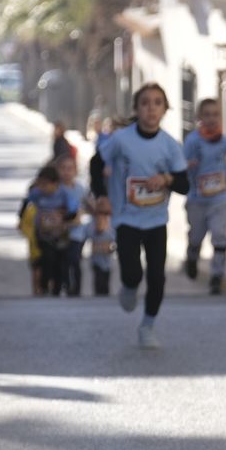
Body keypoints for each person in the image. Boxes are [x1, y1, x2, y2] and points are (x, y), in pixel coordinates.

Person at [90, 83, 189, 349]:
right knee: (133, 272)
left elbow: (184, 184)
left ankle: (147, 326)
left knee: (157, 276)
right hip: (127, 219)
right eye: (145, 103)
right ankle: (129, 286)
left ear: (165, 110)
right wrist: (101, 195)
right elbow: (96, 163)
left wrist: (166, 178)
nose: (151, 108)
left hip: (156, 220)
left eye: (157, 103)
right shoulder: (121, 140)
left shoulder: (170, 145)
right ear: (136, 109)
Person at [181, 98, 226, 294]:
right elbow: (181, 166)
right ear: (199, 117)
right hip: (197, 199)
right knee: (197, 235)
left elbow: (221, 163)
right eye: (207, 115)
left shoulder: (224, 141)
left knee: (220, 234)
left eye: (215, 115)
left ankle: (217, 276)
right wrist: (188, 166)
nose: (212, 119)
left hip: (219, 198)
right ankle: (192, 255)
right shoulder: (192, 141)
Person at [26, 164, 81, 297]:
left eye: (45, 185)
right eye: (40, 184)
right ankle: (44, 286)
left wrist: (60, 218)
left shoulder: (65, 193)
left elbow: (74, 210)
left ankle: (57, 287)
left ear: (55, 183)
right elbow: (26, 203)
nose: (42, 188)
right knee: (46, 257)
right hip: (43, 233)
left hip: (60, 234)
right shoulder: (37, 193)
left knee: (59, 260)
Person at [56, 155, 89, 296]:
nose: (66, 172)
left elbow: (87, 205)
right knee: (63, 261)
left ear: (75, 170)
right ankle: (64, 285)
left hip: (77, 232)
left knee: (75, 259)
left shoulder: (80, 188)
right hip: (60, 232)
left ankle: (76, 289)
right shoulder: (56, 189)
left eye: (70, 168)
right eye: (63, 168)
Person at [84, 198, 116, 296]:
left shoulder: (112, 222)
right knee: (98, 281)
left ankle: (104, 296)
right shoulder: (92, 223)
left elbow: (114, 241)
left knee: (105, 282)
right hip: (96, 260)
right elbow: (87, 234)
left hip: (107, 261)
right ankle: (98, 297)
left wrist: (110, 247)